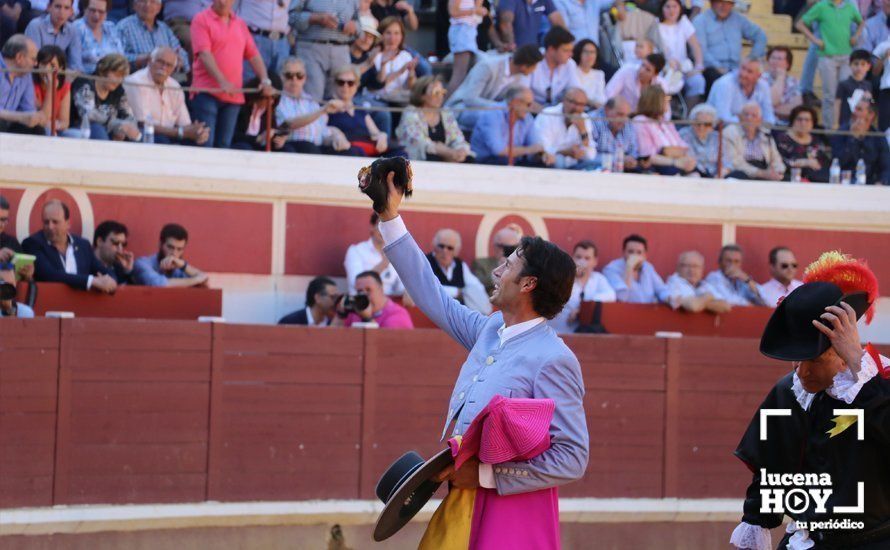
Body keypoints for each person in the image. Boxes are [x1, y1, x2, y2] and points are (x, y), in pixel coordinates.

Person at [368, 161, 588, 542]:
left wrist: (489, 476)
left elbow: (572, 457)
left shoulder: (554, 359)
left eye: (508, 264)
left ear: (529, 283)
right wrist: (390, 217)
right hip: (463, 497)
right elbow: (430, 294)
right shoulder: (490, 331)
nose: (497, 271)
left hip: (513, 510)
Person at [730, 251, 890, 550]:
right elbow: (771, 469)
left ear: (841, 351)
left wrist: (858, 362)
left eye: (813, 359)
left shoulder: (882, 384)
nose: (801, 372)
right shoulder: (789, 391)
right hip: (805, 541)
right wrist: (757, 521)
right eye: (795, 360)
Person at [189, 0, 274, 149]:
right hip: (206, 92)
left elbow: (253, 55)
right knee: (205, 144)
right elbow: (204, 54)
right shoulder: (200, 19)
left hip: (233, 96)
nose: (223, 2)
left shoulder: (240, 24)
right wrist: (222, 81)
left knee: (224, 146)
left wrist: (265, 80)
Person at [22, 199, 118, 293]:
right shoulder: (32, 243)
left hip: (82, 305)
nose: (50, 227)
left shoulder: (83, 245)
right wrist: (90, 281)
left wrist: (111, 280)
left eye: (55, 222)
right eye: (46, 222)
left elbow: (102, 269)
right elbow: (49, 274)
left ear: (68, 223)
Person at [796, 0, 864, 130]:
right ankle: (830, 130)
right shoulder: (822, 6)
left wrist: (856, 36)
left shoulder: (849, 7)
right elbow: (800, 24)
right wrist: (815, 40)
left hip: (846, 57)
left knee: (847, 95)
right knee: (830, 96)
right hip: (827, 56)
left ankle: (844, 128)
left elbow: (861, 22)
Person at [123, 46, 209, 145]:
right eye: (160, 62)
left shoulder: (175, 86)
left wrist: (198, 132)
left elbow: (184, 123)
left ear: (173, 69)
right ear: (150, 61)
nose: (164, 67)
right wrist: (180, 132)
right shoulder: (136, 82)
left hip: (170, 135)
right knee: (161, 140)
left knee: (199, 142)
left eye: (169, 65)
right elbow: (143, 123)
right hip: (143, 133)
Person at [445, 44, 542, 130]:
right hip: (461, 109)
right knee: (493, 117)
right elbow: (469, 99)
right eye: (535, 66)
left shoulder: (519, 77)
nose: (535, 70)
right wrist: (500, 107)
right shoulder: (488, 67)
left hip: (489, 110)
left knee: (525, 117)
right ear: (524, 66)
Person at [274, 57, 355, 155]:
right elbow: (288, 124)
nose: (294, 80)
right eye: (289, 75)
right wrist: (322, 110)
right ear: (281, 77)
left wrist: (337, 137)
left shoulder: (311, 101)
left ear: (305, 78)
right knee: (309, 148)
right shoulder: (278, 100)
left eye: (299, 75)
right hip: (294, 147)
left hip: (316, 148)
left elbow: (323, 134)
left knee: (350, 151)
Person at [289, 0, 360, 102]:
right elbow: (291, 17)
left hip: (341, 51)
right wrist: (314, 18)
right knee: (312, 99)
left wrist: (355, 27)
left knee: (340, 100)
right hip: (311, 49)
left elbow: (359, 26)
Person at [327, 64, 403, 157]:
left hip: (367, 148)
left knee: (400, 154)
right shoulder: (327, 106)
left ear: (357, 85)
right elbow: (321, 128)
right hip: (346, 149)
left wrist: (382, 136)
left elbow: (375, 132)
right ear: (334, 84)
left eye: (350, 83)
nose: (345, 86)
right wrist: (334, 132)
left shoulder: (360, 110)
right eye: (341, 82)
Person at [693, 0, 766, 92]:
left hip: (737, 68)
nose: (724, 6)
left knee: (761, 82)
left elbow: (760, 36)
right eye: (720, 2)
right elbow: (701, 50)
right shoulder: (700, 21)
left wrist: (752, 58)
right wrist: (718, 67)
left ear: (733, 5)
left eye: (728, 3)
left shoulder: (738, 19)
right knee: (720, 81)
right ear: (712, 2)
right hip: (713, 68)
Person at [396, 75, 473, 162]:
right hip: (419, 158)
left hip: (448, 157)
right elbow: (420, 143)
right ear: (422, 95)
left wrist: (460, 150)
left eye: (442, 92)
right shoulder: (411, 113)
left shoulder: (445, 113)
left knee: (469, 159)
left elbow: (457, 137)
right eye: (436, 92)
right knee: (432, 157)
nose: (440, 96)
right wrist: (446, 152)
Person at [470, 84, 551, 166]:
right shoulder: (492, 114)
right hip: (487, 162)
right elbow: (499, 151)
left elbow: (535, 144)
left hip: (513, 161)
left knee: (544, 164)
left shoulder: (527, 118)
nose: (530, 108)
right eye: (528, 104)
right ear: (515, 102)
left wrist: (543, 154)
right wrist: (530, 150)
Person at [548, 239, 616, 334]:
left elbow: (611, 295)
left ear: (595, 261)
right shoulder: (562, 278)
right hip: (560, 334)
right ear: (572, 258)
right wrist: (573, 276)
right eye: (578, 257)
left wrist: (582, 308)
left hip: (584, 336)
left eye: (587, 258)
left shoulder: (598, 279)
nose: (582, 262)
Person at [69, 53, 140, 140]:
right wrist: (118, 124)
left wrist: (125, 128)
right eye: (117, 75)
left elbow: (129, 116)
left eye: (122, 77)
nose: (119, 80)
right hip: (82, 128)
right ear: (103, 71)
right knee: (97, 129)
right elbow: (88, 114)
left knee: (137, 135)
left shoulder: (119, 91)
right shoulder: (84, 83)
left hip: (109, 130)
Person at [633, 84, 697, 175]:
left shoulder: (666, 122)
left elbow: (683, 146)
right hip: (659, 168)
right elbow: (647, 156)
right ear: (654, 101)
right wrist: (674, 160)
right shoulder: (640, 121)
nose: (668, 102)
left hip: (678, 163)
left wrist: (669, 152)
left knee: (696, 174)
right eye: (665, 99)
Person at [426, 228, 492, 314]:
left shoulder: (460, 265)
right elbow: (427, 288)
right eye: (441, 246)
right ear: (434, 246)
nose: (444, 251)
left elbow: (477, 286)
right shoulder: (426, 262)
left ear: (456, 251)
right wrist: (457, 291)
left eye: (450, 248)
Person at [115, 0, 189, 74]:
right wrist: (141, 59)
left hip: (165, 79)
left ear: (159, 8)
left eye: (153, 2)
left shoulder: (164, 29)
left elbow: (182, 54)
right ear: (134, 5)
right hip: (136, 79)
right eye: (143, 1)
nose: (147, 5)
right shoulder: (123, 27)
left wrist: (177, 60)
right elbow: (116, 58)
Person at [533, 87, 598, 170]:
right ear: (564, 101)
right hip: (549, 165)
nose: (576, 108)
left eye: (581, 104)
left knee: (597, 165)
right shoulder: (548, 115)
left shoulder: (584, 118)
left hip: (575, 166)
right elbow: (542, 149)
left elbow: (590, 156)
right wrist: (564, 152)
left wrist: (582, 131)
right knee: (558, 161)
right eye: (573, 102)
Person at [830, 99, 890, 184]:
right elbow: (837, 162)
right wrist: (852, 138)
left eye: (859, 109)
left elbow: (887, 167)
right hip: (843, 183)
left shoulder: (878, 137)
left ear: (871, 115)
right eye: (855, 108)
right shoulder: (841, 132)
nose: (854, 112)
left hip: (870, 185)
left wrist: (881, 182)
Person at [657, 0, 705, 105]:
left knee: (698, 81)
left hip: (683, 67)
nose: (671, 10)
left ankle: (688, 113)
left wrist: (699, 67)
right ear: (662, 8)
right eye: (668, 7)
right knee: (668, 84)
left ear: (680, 8)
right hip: (664, 68)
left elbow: (695, 46)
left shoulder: (683, 22)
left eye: (675, 6)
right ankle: (667, 110)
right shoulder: (657, 25)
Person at [344, 212, 404, 296]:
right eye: (381, 225)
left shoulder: (396, 253)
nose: (385, 231)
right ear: (372, 227)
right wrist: (383, 264)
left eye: (389, 227)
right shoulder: (356, 251)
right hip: (363, 304)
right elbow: (355, 283)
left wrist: (407, 292)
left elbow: (400, 287)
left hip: (389, 305)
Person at [722, 102, 785, 181]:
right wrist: (761, 173)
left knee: (786, 178)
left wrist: (778, 171)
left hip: (764, 169)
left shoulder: (765, 134)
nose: (749, 118)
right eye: (746, 115)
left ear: (760, 120)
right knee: (738, 175)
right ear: (740, 117)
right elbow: (734, 162)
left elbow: (776, 159)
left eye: (753, 115)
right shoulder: (730, 132)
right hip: (743, 171)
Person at [133, 223, 209, 287]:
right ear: (160, 245)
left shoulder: (180, 268)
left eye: (179, 249)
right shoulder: (142, 263)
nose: (174, 253)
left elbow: (205, 281)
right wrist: (196, 280)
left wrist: (184, 266)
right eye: (170, 247)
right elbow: (158, 284)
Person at [602, 233, 670, 304]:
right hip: (625, 313)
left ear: (644, 256)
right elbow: (621, 298)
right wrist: (629, 270)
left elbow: (661, 290)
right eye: (630, 252)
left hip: (648, 312)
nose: (634, 255)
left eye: (639, 252)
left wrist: (670, 299)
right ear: (623, 252)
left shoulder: (648, 267)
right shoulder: (611, 269)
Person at [707, 57, 776, 125]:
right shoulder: (725, 84)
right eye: (743, 68)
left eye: (749, 71)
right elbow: (723, 118)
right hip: (720, 130)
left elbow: (769, 116)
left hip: (751, 129)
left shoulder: (763, 85)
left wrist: (756, 123)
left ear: (758, 76)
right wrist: (748, 120)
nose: (743, 74)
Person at [337, 269, 414, 328]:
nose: (364, 295)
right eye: (359, 291)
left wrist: (367, 318)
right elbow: (332, 338)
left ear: (381, 289)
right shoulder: (356, 312)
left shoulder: (397, 314)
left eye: (368, 290)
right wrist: (341, 314)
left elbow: (383, 345)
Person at [1, 35, 46, 135]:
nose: (36, 64)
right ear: (19, 57)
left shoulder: (25, 74)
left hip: (10, 124)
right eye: (33, 59)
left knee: (36, 128)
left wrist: (37, 117)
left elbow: (28, 109)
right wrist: (20, 117)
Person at [236, 0, 289, 81]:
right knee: (250, 83)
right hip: (254, 38)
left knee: (279, 86)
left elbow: (294, 10)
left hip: (281, 42)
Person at [775, 104, 830, 183]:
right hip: (790, 181)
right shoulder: (782, 140)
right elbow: (780, 163)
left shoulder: (817, 141)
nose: (803, 123)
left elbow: (823, 163)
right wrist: (805, 162)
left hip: (816, 182)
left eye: (807, 120)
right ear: (793, 121)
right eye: (799, 119)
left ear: (812, 124)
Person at [527, 26, 579, 107]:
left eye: (571, 50)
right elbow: (522, 96)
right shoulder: (532, 60)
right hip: (529, 110)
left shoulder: (570, 64)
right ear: (551, 49)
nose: (570, 55)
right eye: (566, 50)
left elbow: (575, 91)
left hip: (556, 111)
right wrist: (547, 115)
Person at [24, 0, 83, 72]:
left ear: (71, 11)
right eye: (57, 7)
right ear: (49, 7)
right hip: (36, 75)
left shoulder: (72, 30)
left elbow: (76, 65)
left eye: (66, 8)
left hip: (62, 77)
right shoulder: (35, 26)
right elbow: (33, 62)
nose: (61, 12)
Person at [665, 250, 731, 313]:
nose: (691, 270)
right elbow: (693, 307)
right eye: (687, 266)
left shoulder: (705, 285)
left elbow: (726, 306)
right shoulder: (673, 283)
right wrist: (708, 296)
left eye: (696, 266)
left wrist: (700, 303)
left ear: (702, 269)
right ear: (678, 268)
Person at [445, 0, 487, 96]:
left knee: (466, 74)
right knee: (459, 74)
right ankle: (445, 107)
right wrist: (475, 10)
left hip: (469, 32)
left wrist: (478, 7)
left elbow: (477, 14)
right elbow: (453, 12)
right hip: (461, 31)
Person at [371, 16, 416, 100]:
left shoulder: (406, 56)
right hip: (378, 99)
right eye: (388, 33)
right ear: (381, 35)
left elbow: (412, 88)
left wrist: (411, 74)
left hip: (400, 99)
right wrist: (400, 71)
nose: (392, 38)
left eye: (396, 33)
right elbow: (377, 86)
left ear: (402, 36)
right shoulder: (375, 55)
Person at [589, 95, 640, 171]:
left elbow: (633, 151)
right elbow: (589, 156)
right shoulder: (592, 121)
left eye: (627, 115)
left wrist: (631, 160)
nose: (624, 119)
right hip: (595, 170)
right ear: (606, 110)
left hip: (622, 170)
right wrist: (617, 159)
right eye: (620, 114)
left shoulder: (627, 123)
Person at [74, 0, 124, 74]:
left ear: (106, 13)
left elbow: (121, 58)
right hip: (88, 79)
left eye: (101, 12)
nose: (96, 15)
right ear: (85, 9)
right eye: (92, 10)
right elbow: (75, 65)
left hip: (114, 77)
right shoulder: (76, 29)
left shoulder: (111, 27)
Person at [472, 223, 523, 294]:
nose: (510, 251)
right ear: (496, 247)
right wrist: (499, 270)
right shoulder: (481, 264)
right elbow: (476, 284)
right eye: (506, 248)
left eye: (514, 248)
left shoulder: (521, 265)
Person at [495, 0, 566, 50]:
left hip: (532, 51)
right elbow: (505, 24)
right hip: (513, 53)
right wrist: (512, 47)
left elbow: (557, 20)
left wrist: (566, 43)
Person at [31, 45, 70, 134]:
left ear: (61, 68)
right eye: (43, 64)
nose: (46, 69)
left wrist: (54, 127)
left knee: (78, 135)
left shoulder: (65, 86)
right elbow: (44, 117)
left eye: (52, 65)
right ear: (37, 65)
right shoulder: (31, 85)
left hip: (56, 128)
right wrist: (50, 87)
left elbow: (65, 122)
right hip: (38, 129)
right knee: (48, 132)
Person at [834, 49, 874, 130]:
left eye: (863, 64)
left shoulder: (868, 85)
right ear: (850, 65)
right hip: (845, 123)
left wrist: (870, 99)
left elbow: (870, 104)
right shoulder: (843, 84)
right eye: (856, 64)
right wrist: (835, 123)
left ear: (868, 66)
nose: (859, 67)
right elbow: (837, 103)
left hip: (862, 124)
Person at [761, 46, 801, 125]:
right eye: (773, 58)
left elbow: (796, 110)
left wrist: (770, 109)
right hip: (765, 124)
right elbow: (772, 101)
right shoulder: (760, 79)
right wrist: (780, 78)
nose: (775, 61)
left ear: (787, 64)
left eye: (779, 59)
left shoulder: (794, 82)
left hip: (787, 126)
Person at [554, 0, 625, 45]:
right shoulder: (560, 2)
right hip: (575, 54)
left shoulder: (593, 1)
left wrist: (620, 7)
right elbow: (563, 30)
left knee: (616, 69)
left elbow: (616, 1)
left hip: (594, 53)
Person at [678, 102, 719, 177]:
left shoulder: (718, 138)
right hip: (693, 173)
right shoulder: (684, 134)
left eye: (707, 124)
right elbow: (689, 160)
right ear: (692, 122)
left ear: (713, 125)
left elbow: (727, 164)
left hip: (715, 177)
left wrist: (718, 177)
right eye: (698, 123)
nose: (701, 128)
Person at [92, 219, 135, 284]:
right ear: (99, 241)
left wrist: (127, 271)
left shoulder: (119, 268)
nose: (120, 248)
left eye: (123, 244)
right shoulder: (85, 264)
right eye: (115, 243)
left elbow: (133, 293)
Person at [572, 38, 606, 109]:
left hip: (594, 111)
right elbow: (576, 94)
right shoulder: (572, 71)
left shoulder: (599, 74)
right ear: (579, 53)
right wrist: (592, 103)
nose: (589, 55)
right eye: (586, 52)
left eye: (592, 52)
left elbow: (601, 98)